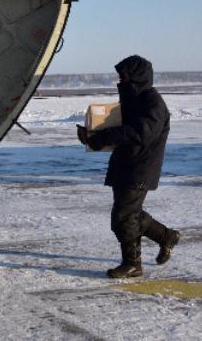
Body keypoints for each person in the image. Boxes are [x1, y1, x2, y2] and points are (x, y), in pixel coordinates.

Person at [77, 55, 179, 279]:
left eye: (125, 76)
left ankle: (133, 264)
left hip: (141, 167)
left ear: (137, 76)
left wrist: (104, 136)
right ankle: (166, 237)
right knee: (129, 214)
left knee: (124, 217)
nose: (121, 80)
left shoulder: (152, 102)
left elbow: (139, 133)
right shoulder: (133, 102)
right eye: (120, 76)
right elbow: (120, 131)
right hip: (126, 165)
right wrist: (92, 136)